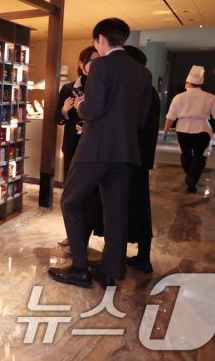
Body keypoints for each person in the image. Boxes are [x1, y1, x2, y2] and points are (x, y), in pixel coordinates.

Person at [48, 18, 151, 289]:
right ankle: (110, 270)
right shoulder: (143, 73)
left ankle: (80, 268)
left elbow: (92, 110)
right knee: (116, 211)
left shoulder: (101, 66)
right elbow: (141, 120)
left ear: (100, 39)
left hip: (95, 148)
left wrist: (80, 106)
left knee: (70, 201)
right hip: (126, 150)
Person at [55, 47, 102, 253]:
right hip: (72, 148)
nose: (95, 64)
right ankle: (72, 236)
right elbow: (57, 119)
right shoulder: (68, 88)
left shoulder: (101, 87)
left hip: (92, 150)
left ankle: (80, 241)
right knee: (70, 196)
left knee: (88, 198)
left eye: (99, 60)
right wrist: (65, 111)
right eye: (92, 60)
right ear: (81, 63)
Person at [123, 45, 160, 274]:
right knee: (137, 206)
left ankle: (142, 257)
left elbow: (134, 125)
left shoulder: (139, 91)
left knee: (134, 207)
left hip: (132, 158)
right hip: (138, 157)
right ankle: (141, 256)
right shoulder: (148, 89)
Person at [164, 66, 215, 193]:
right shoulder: (210, 97)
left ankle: (190, 177)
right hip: (202, 129)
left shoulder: (178, 97)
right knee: (200, 155)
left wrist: (166, 130)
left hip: (183, 129)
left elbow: (171, 116)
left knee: (185, 154)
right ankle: (192, 178)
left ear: (188, 82)